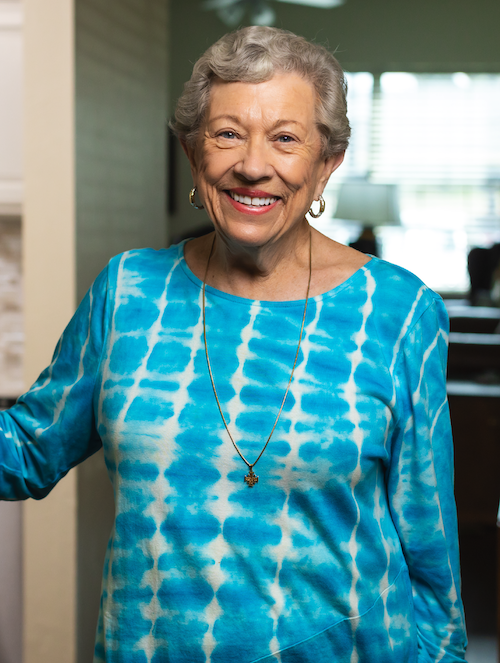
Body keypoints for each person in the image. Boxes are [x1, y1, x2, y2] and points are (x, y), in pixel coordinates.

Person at [0, 26, 467, 663]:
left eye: (285, 138)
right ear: (194, 154)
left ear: (326, 162)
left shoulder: (399, 311)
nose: (253, 164)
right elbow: (26, 451)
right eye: (227, 134)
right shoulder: (129, 290)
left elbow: (429, 539)